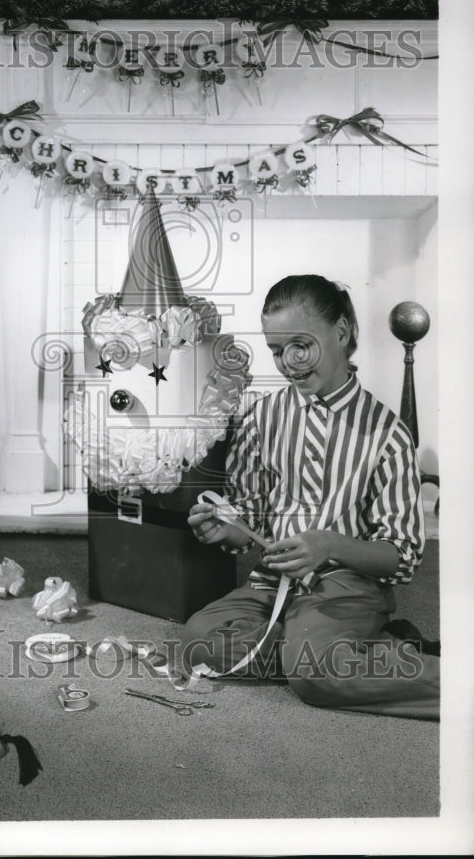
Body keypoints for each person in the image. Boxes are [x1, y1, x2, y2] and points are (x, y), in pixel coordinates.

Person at [182, 274, 440, 720]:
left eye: (301, 345)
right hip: (272, 582)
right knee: (197, 642)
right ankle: (344, 652)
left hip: (347, 585)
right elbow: (250, 520)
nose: (289, 362)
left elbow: (401, 558)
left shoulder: (388, 434)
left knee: (313, 671)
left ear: (341, 333)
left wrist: (328, 544)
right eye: (277, 350)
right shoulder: (262, 418)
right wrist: (226, 528)